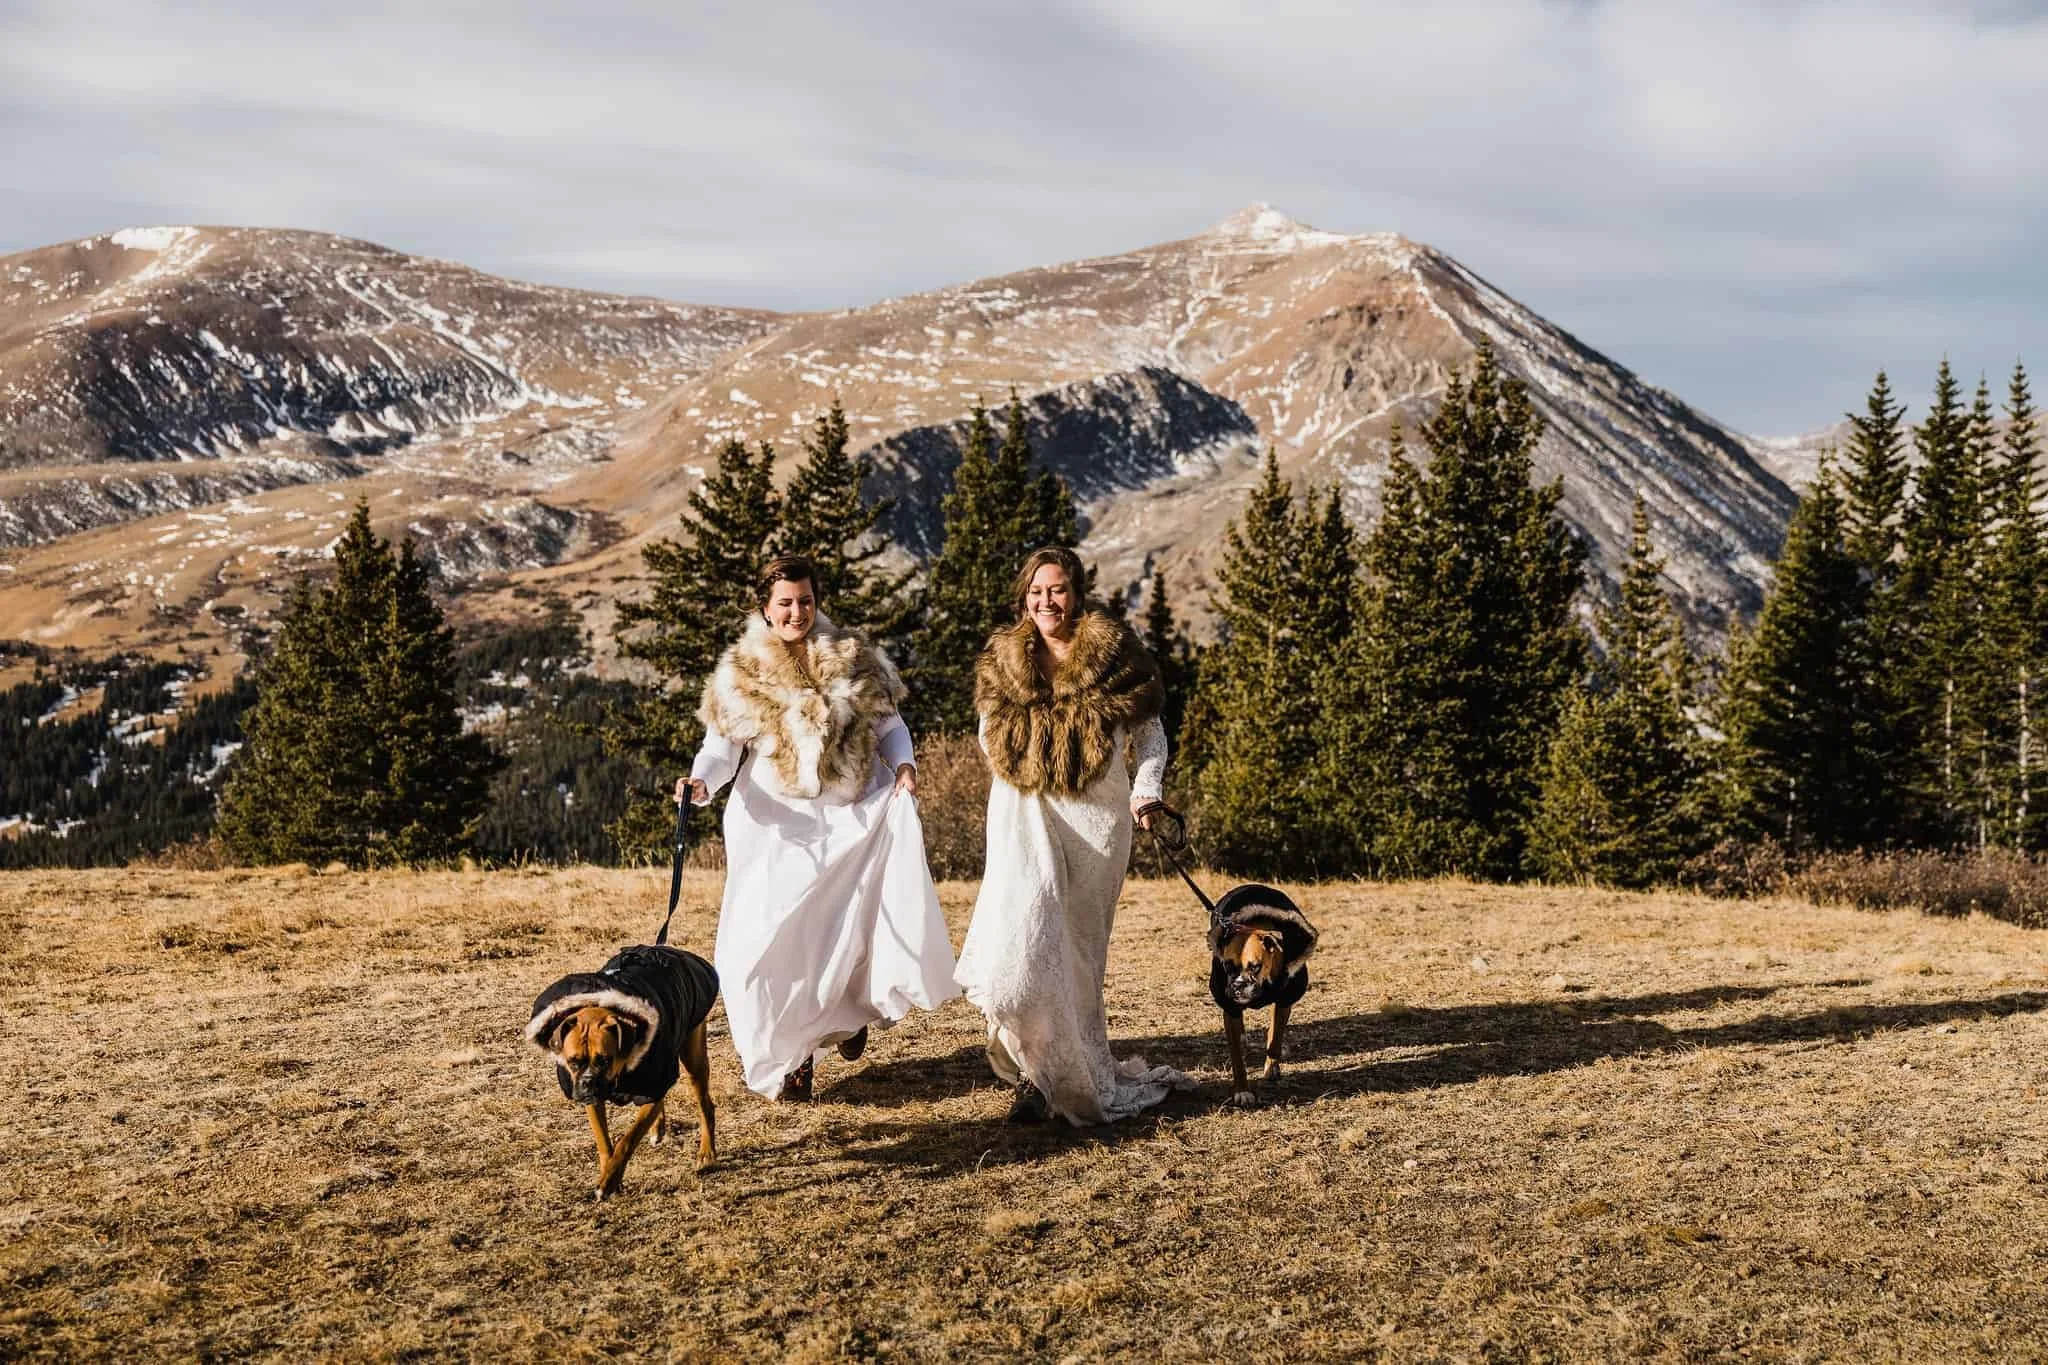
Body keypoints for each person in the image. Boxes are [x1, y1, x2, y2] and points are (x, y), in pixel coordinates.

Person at [679, 554, 958, 1101]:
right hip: (778, 832)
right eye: (785, 602)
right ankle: (792, 1052)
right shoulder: (741, 671)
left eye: (805, 600)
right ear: (765, 606)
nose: (797, 611)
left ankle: (833, 1030)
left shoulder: (853, 657)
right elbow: (721, 748)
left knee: (840, 934)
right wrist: (699, 783)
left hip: (848, 817)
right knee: (765, 950)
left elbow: (890, 724)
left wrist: (904, 768)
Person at [953, 546, 1193, 1124]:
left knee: (1077, 958)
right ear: (1024, 597)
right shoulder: (1004, 659)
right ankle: (1032, 1070)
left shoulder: (1114, 654)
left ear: (1077, 593)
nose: (1046, 602)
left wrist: (1146, 790)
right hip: (1024, 816)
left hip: (1096, 823)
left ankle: (1065, 1074)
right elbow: (988, 733)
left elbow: (1152, 735)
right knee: (1021, 948)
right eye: (1036, 592)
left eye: (1056, 590)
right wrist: (1021, 774)